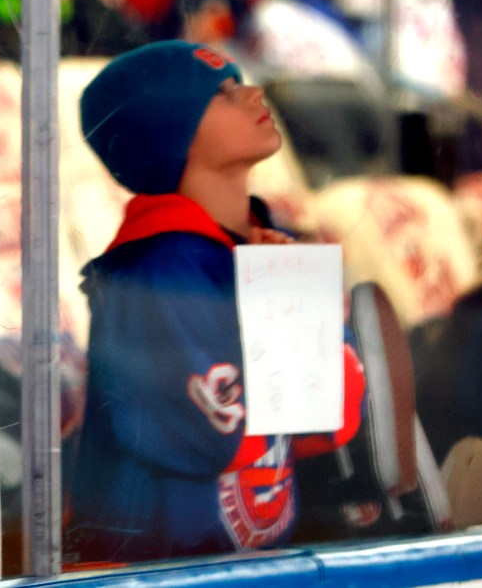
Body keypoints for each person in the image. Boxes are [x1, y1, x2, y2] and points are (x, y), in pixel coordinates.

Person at [64, 41, 366, 563]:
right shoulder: (158, 269)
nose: (253, 93)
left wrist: (290, 301)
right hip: (148, 573)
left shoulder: (264, 244)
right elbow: (215, 438)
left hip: (252, 563)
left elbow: (330, 421)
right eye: (224, 93)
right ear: (171, 136)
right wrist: (290, 326)